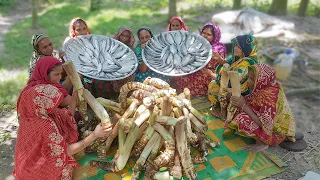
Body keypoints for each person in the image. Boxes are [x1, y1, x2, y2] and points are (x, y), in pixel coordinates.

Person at [13, 57, 112, 179]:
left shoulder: (34, 109)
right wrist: (95, 135)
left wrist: (74, 98)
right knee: (64, 168)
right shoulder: (44, 125)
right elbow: (66, 151)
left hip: (26, 166)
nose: (60, 78)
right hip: (37, 173)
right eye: (57, 74)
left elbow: (64, 116)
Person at [223, 63, 296, 152]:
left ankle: (263, 143)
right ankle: (257, 136)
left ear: (260, 80)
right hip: (265, 122)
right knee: (237, 107)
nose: (248, 81)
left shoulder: (269, 97)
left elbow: (266, 125)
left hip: (274, 133)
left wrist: (243, 106)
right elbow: (249, 100)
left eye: (251, 79)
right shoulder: (263, 85)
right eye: (248, 77)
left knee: (242, 119)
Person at [171, 22, 226, 96]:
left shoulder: (218, 49)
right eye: (204, 33)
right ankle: (180, 93)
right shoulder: (197, 43)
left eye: (209, 34)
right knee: (178, 74)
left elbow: (223, 65)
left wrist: (218, 59)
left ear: (215, 36)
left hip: (208, 73)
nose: (205, 36)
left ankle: (197, 94)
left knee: (200, 78)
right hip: (194, 69)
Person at [208, 34, 259, 108]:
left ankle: (225, 109)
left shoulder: (247, 63)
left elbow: (232, 82)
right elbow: (229, 65)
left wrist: (211, 74)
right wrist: (220, 60)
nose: (235, 48)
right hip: (233, 85)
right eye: (235, 45)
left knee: (213, 86)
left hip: (241, 93)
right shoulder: (239, 58)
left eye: (239, 46)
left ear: (246, 48)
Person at [112, 26, 136, 93]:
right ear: (119, 35)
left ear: (129, 38)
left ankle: (126, 92)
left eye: (127, 36)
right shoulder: (113, 45)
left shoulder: (131, 49)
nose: (124, 38)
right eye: (122, 35)